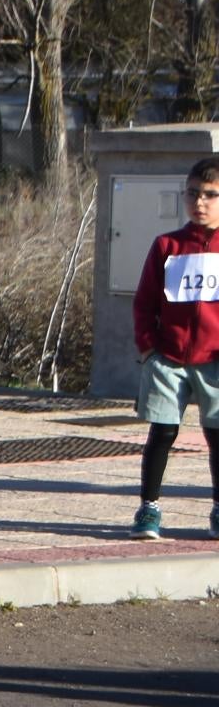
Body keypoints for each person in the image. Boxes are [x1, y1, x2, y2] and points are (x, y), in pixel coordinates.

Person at [132, 157, 219, 539]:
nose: (199, 202)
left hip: (215, 361)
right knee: (162, 432)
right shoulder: (167, 245)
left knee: (217, 436)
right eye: (193, 194)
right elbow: (145, 302)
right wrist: (149, 349)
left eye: (211, 195)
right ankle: (148, 509)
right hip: (168, 357)